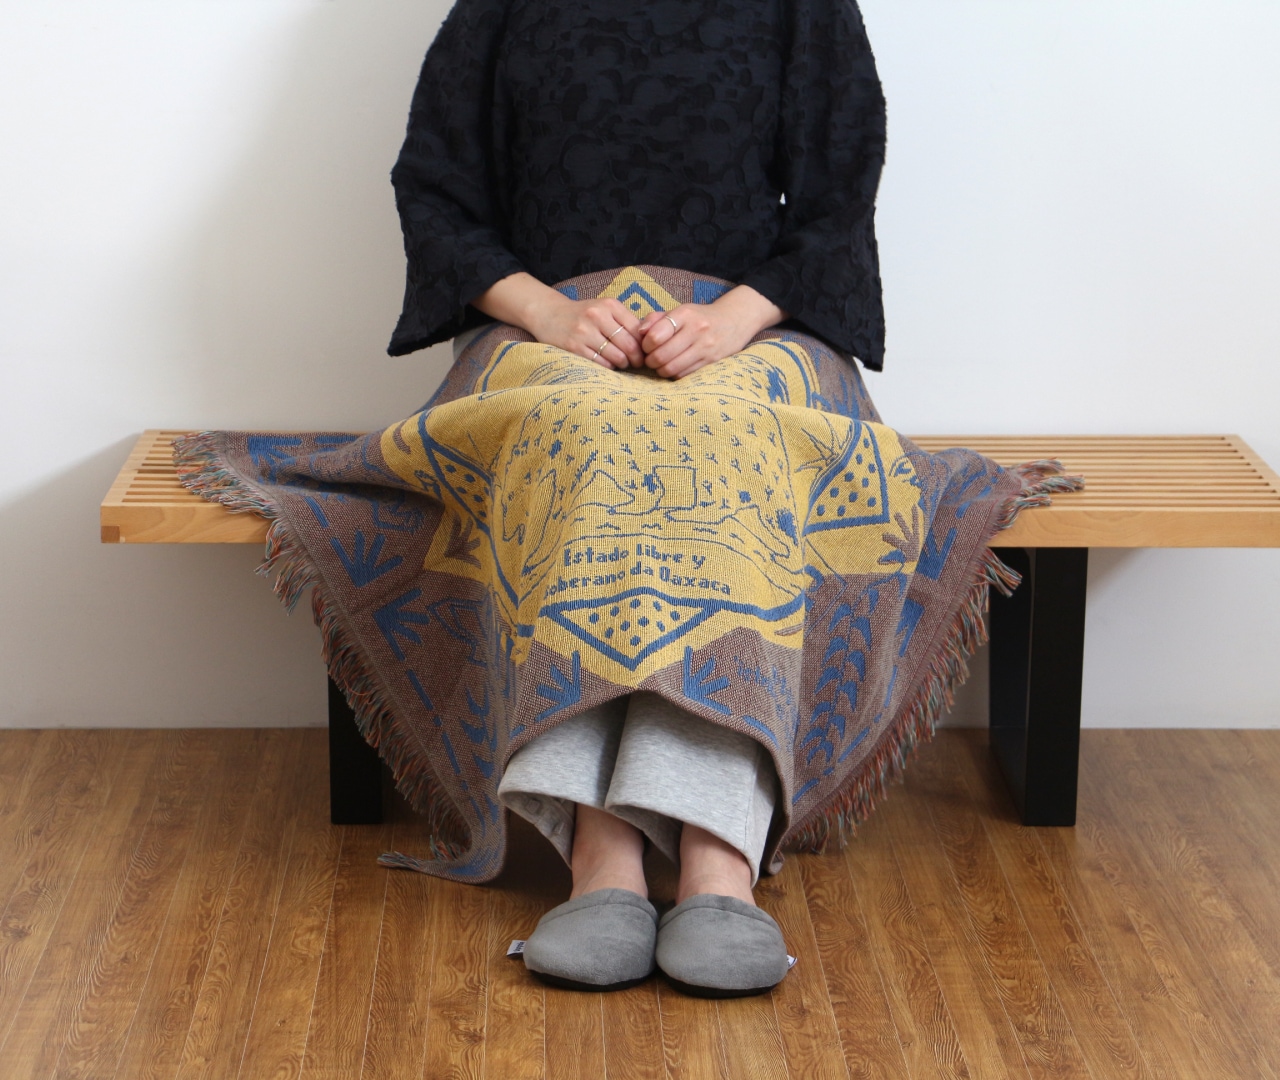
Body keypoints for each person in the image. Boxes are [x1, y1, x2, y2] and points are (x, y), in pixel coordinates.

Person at [386, 0, 887, 997]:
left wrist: (731, 320)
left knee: (717, 436)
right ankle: (601, 858)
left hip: (753, 339)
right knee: (595, 432)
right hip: (545, 340)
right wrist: (550, 313)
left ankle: (717, 860)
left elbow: (838, 204)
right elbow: (435, 195)